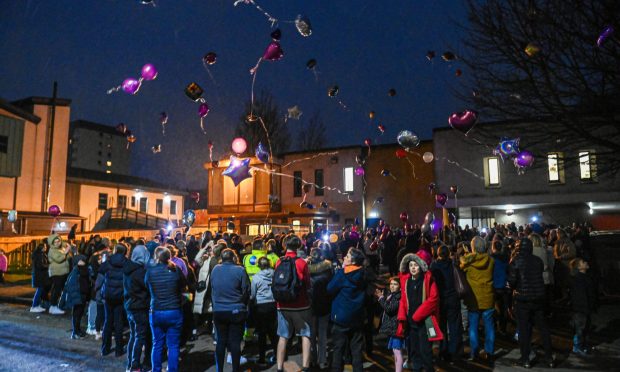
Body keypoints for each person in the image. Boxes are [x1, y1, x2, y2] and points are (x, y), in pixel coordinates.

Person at [508, 238, 554, 369]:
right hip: (538, 297)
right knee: (543, 328)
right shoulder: (537, 260)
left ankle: (525, 358)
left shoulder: (515, 261)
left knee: (524, 329)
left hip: (522, 299)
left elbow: (512, 281)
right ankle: (549, 357)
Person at [397, 251, 443, 372]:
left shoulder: (428, 279)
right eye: (411, 265)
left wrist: (418, 315)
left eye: (416, 265)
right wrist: (402, 315)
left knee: (425, 350)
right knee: (414, 349)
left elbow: (434, 299)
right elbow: (403, 299)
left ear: (421, 266)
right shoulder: (406, 280)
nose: (413, 268)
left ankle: (428, 369)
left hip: (424, 322)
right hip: (410, 322)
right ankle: (417, 368)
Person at [273, 235, 312, 372]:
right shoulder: (302, 263)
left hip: (282, 305)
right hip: (300, 304)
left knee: (283, 336)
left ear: (285, 246)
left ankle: (279, 367)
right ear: (299, 246)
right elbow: (307, 283)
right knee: (305, 334)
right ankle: (306, 367)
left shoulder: (279, 261)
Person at [146, 246, 187, 372]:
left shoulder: (150, 271)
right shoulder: (176, 269)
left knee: (157, 344)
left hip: (156, 311)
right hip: (174, 310)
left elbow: (147, 286)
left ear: (156, 257)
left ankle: (156, 370)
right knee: (173, 345)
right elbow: (183, 286)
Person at [327, 248, 368, 372]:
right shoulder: (363, 274)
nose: (344, 257)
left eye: (347, 256)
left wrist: (341, 269)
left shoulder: (342, 274)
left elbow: (329, 289)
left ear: (352, 261)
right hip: (357, 317)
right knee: (356, 351)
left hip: (341, 317)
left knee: (338, 350)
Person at [210, 248, 250, 372]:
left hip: (219, 310)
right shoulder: (240, 270)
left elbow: (212, 288)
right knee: (235, 342)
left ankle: (219, 369)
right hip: (236, 310)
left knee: (221, 341)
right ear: (234, 258)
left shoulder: (215, 269)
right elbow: (246, 291)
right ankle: (235, 369)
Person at [460, 236, 495, 361]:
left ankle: (474, 352)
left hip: (473, 299)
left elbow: (462, 265)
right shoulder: (491, 260)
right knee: (489, 326)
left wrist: (466, 254)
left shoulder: (468, 261)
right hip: (488, 297)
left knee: (473, 326)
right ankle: (490, 352)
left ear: (473, 247)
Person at [430, 245, 463, 363]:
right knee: (454, 326)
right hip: (453, 298)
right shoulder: (453, 264)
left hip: (441, 299)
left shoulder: (434, 266)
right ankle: (454, 352)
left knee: (442, 326)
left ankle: (443, 351)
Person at [124, 245, 152, 372]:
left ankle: (130, 363)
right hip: (140, 306)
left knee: (133, 335)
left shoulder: (128, 269)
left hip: (130, 305)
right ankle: (135, 365)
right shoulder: (141, 272)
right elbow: (148, 288)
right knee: (140, 336)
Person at [99, 244, 129, 357]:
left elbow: (100, 270)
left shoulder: (109, 260)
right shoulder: (126, 262)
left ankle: (105, 348)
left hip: (108, 295)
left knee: (108, 321)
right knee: (118, 322)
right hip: (120, 295)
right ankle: (118, 349)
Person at [307, 247, 334, 369]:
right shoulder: (328, 268)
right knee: (322, 334)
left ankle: (312, 359)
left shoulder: (306, 269)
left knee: (311, 334)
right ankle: (322, 361)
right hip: (324, 304)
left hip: (310, 305)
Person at [251, 256, 278, 366]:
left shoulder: (256, 277)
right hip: (273, 304)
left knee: (262, 333)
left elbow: (253, 294)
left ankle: (262, 358)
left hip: (261, 306)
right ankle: (277, 355)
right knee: (273, 332)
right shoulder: (275, 274)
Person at [60, 251, 91, 339]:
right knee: (77, 314)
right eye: (82, 260)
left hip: (83, 294)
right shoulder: (75, 271)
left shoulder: (85, 269)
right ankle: (75, 332)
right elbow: (71, 286)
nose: (84, 262)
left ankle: (77, 330)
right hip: (78, 295)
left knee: (80, 314)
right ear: (77, 261)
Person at [569, 258, 597, 356]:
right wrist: (584, 308)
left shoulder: (585, 277)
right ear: (579, 267)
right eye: (583, 262)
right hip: (581, 309)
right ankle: (577, 347)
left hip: (585, 308)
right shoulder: (578, 279)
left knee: (585, 328)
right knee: (580, 329)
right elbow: (580, 296)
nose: (586, 262)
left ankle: (583, 346)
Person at [377, 277, 404, 372]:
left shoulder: (397, 297)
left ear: (400, 287)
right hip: (393, 328)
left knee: (397, 351)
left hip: (396, 328)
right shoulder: (392, 295)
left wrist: (381, 299)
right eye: (391, 284)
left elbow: (389, 309)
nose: (392, 286)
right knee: (395, 351)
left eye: (395, 284)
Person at [490, 240, 510, 335]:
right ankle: (502, 329)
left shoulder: (491, 259)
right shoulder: (506, 258)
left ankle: (493, 327)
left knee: (493, 308)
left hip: (493, 286)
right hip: (503, 286)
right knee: (503, 309)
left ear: (493, 247)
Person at [48, 234, 71, 315]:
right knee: (56, 290)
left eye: (58, 241)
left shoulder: (60, 248)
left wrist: (66, 248)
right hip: (57, 272)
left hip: (62, 272)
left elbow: (67, 257)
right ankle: (53, 306)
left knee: (58, 289)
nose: (57, 243)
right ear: (52, 243)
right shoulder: (52, 250)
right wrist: (66, 252)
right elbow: (59, 259)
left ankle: (54, 306)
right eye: (55, 242)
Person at [30, 243, 50, 312]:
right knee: (39, 290)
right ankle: (34, 306)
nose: (46, 247)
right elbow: (40, 265)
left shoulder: (40, 254)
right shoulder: (39, 255)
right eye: (45, 246)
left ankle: (37, 305)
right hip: (39, 275)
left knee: (40, 290)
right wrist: (48, 266)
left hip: (40, 275)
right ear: (42, 247)